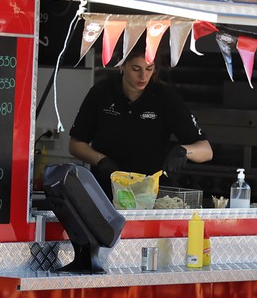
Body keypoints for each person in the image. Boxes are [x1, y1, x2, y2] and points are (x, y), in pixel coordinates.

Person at [69, 40, 213, 197]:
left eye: (149, 69)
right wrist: (101, 160)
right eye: (136, 69)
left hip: (151, 193)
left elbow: (206, 151)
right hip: (105, 191)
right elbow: (76, 144)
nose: (143, 76)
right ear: (122, 65)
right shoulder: (102, 92)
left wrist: (183, 151)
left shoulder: (165, 98)